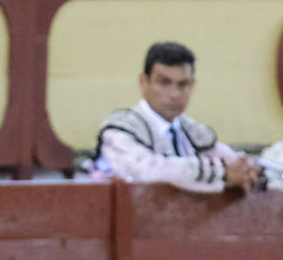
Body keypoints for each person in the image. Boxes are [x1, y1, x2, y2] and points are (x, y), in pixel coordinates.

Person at [88, 41, 259, 193]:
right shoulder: (119, 130)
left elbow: (234, 163)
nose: (174, 94)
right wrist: (221, 172)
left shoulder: (193, 131)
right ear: (143, 81)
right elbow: (148, 171)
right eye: (164, 82)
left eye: (182, 84)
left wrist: (247, 170)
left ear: (192, 85)